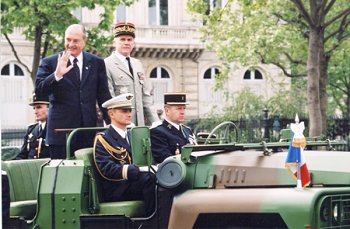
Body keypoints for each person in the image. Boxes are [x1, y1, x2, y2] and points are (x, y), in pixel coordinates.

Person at [35, 24, 111, 159]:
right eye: (68, 40)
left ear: (84, 41)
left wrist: (111, 123)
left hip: (87, 132)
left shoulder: (96, 63)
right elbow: (40, 91)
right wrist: (56, 75)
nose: (71, 44)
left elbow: (103, 95)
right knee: (63, 175)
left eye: (75, 41)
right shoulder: (50, 62)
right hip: (60, 134)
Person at [93, 93, 156, 216]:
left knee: (162, 179)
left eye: (129, 110)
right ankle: (151, 222)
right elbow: (107, 169)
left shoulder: (133, 135)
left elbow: (146, 157)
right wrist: (136, 170)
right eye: (124, 111)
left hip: (134, 183)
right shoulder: (104, 139)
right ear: (111, 114)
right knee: (149, 179)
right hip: (117, 188)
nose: (129, 114)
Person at [105, 22, 156, 126]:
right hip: (119, 126)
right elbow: (110, 100)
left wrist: (155, 122)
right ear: (114, 42)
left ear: (133, 43)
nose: (126, 42)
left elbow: (146, 98)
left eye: (129, 39)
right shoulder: (106, 64)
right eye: (122, 39)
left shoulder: (137, 64)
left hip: (139, 126)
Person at [150, 93, 197, 164]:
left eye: (184, 108)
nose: (182, 112)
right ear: (167, 111)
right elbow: (165, 159)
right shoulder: (158, 132)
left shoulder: (187, 130)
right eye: (179, 108)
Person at [16, 93, 50, 159]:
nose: (35, 112)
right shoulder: (31, 129)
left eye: (39, 107)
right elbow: (23, 154)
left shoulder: (55, 130)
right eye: (34, 108)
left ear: (50, 108)